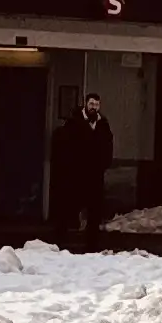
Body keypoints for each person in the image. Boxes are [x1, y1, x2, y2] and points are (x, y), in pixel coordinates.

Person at [47, 92, 115, 247]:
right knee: (68, 206)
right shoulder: (73, 123)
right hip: (75, 174)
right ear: (85, 104)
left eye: (96, 105)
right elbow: (64, 147)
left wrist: (103, 164)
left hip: (95, 175)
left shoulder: (103, 124)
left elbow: (108, 146)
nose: (94, 107)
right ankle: (60, 240)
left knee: (94, 210)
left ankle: (92, 243)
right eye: (91, 104)